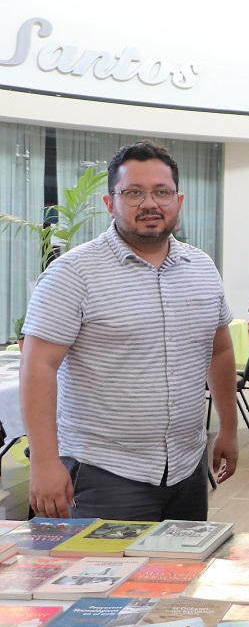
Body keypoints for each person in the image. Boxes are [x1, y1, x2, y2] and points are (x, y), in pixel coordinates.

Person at [21, 140, 237, 521]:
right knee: (100, 579)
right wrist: (43, 462)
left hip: (186, 468)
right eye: (134, 192)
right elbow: (38, 365)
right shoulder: (73, 273)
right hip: (104, 471)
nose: (150, 203)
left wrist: (229, 430)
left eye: (162, 192)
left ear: (179, 201)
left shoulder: (202, 268)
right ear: (110, 203)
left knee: (181, 576)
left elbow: (218, 350)